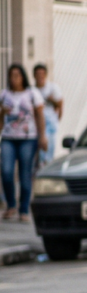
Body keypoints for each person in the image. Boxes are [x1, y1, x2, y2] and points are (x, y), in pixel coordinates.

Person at [0, 63, 46, 222]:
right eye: (11, 75)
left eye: (17, 75)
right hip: (8, 138)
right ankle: (11, 204)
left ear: (23, 77)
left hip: (28, 138)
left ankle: (24, 209)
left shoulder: (32, 93)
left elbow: (40, 115)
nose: (14, 79)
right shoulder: (4, 94)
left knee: (25, 174)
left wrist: (42, 137)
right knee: (6, 171)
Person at [32, 63, 62, 167]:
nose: (40, 76)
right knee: (40, 153)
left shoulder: (52, 87)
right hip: (37, 125)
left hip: (50, 124)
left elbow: (60, 104)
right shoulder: (32, 90)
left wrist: (57, 119)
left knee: (49, 152)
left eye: (42, 74)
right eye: (38, 74)